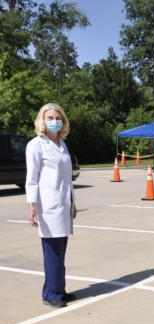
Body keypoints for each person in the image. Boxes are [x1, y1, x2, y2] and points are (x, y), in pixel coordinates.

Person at [25, 103, 77, 308]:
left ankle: (55, 291)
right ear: (42, 121)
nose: (54, 121)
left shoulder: (62, 144)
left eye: (58, 118)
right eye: (50, 118)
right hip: (47, 205)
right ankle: (53, 294)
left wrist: (73, 202)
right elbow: (31, 179)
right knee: (53, 252)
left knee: (60, 251)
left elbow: (67, 178)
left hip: (64, 203)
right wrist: (32, 205)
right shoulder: (36, 145)